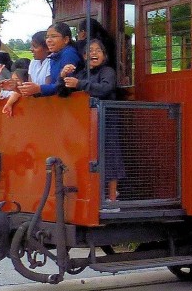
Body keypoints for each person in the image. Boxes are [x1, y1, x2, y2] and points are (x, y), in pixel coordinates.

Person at [62, 39, 124, 202]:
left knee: (110, 158)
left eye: (98, 50)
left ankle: (112, 199)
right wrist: (63, 76)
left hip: (106, 121)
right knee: (87, 160)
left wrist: (80, 84)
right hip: (84, 124)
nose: (94, 53)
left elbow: (106, 88)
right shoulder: (81, 73)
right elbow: (63, 91)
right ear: (83, 56)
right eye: (90, 50)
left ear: (104, 55)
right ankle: (92, 196)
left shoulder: (107, 71)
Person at [18, 22, 82, 98]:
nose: (48, 40)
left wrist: (39, 88)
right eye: (47, 37)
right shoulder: (54, 56)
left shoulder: (69, 54)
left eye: (53, 36)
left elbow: (66, 85)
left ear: (66, 39)